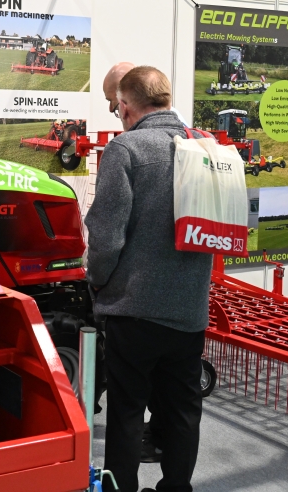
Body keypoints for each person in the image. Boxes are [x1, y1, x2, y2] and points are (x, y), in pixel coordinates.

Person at [86, 66, 213, 492]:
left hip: (134, 308)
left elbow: (107, 237)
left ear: (125, 106)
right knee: (182, 410)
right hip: (190, 308)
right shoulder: (203, 144)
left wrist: (97, 282)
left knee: (126, 411)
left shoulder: (126, 149)